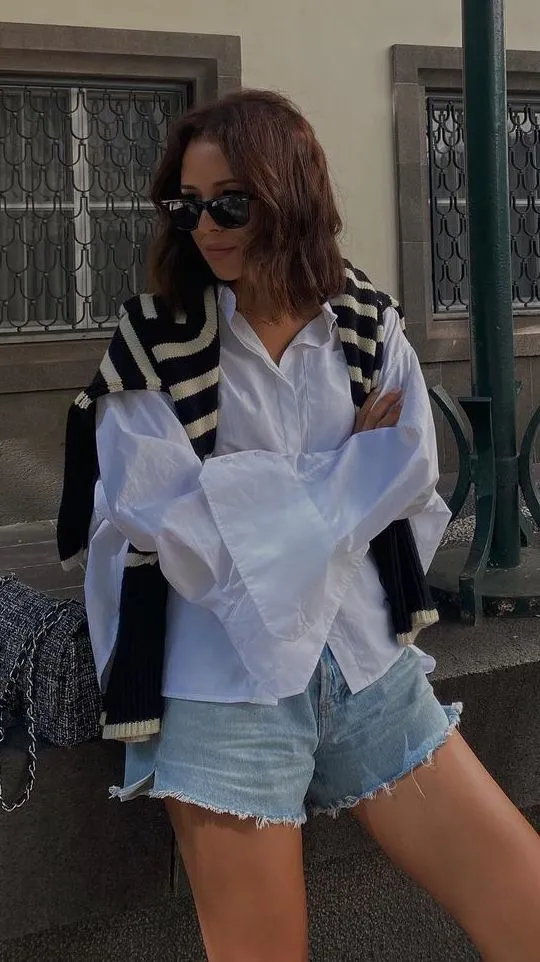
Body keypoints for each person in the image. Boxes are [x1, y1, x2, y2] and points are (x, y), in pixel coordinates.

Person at [60, 90, 540, 962]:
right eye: (187, 205)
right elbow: (175, 528)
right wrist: (343, 473)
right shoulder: (151, 341)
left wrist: (254, 494)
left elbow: (408, 473)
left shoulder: (365, 321)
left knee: (526, 901)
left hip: (366, 664)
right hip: (221, 688)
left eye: (229, 204)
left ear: (290, 194)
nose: (204, 227)